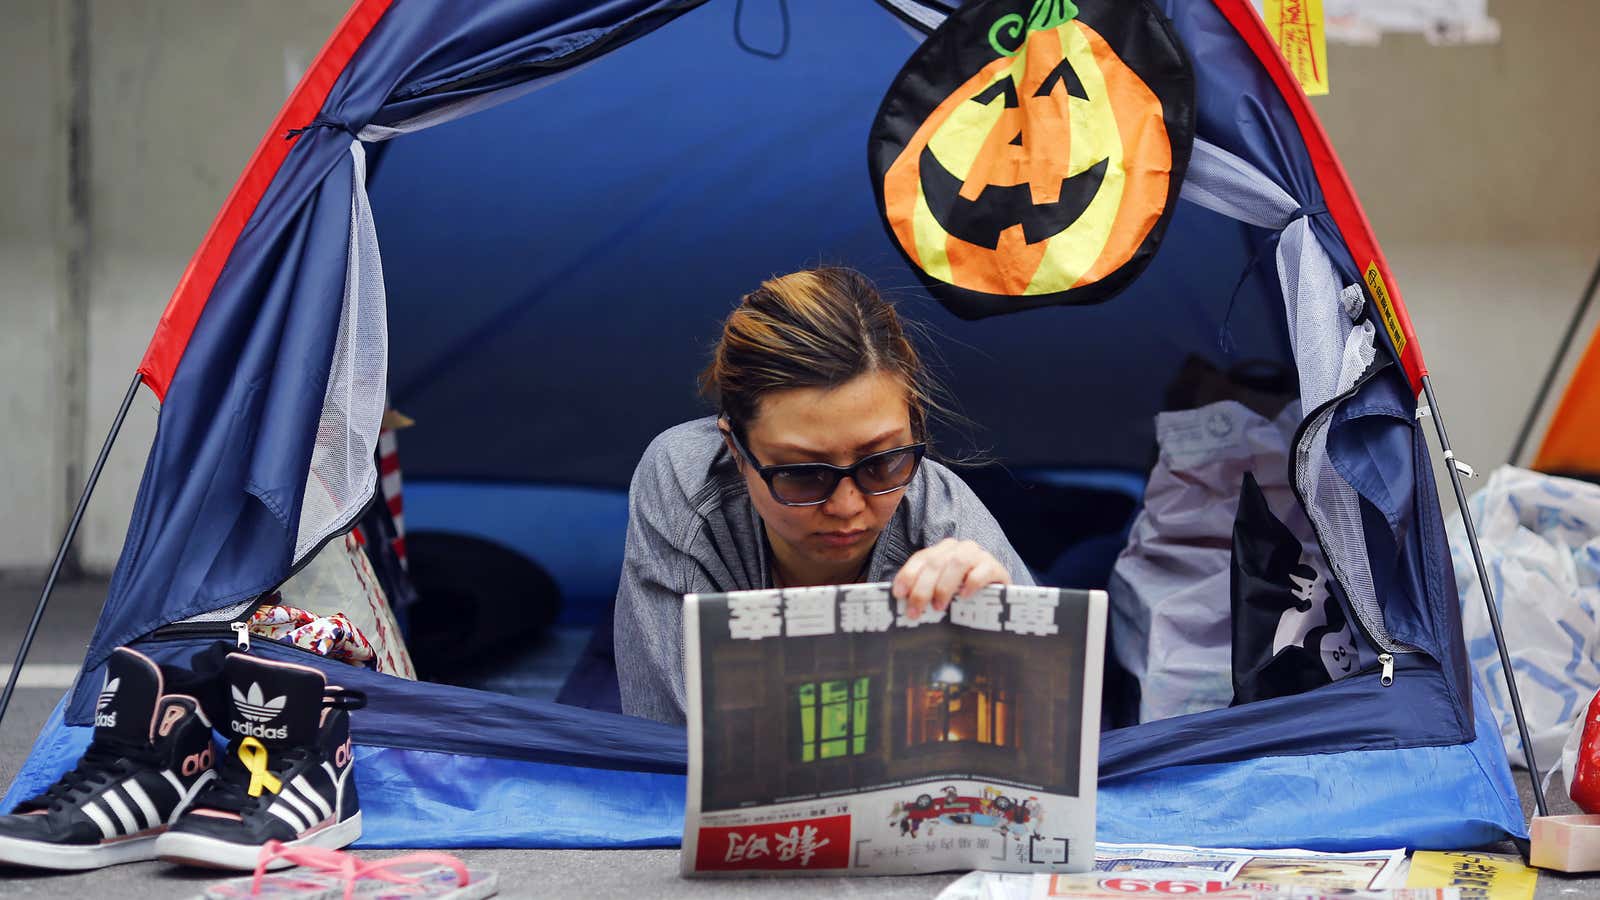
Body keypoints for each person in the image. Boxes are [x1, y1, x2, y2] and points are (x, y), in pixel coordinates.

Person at [614, 267, 1032, 725]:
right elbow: (672, 749)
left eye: (881, 462)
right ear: (735, 448)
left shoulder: (948, 531)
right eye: (802, 474)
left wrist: (1008, 639)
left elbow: (1046, 744)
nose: (847, 506)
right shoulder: (687, 487)